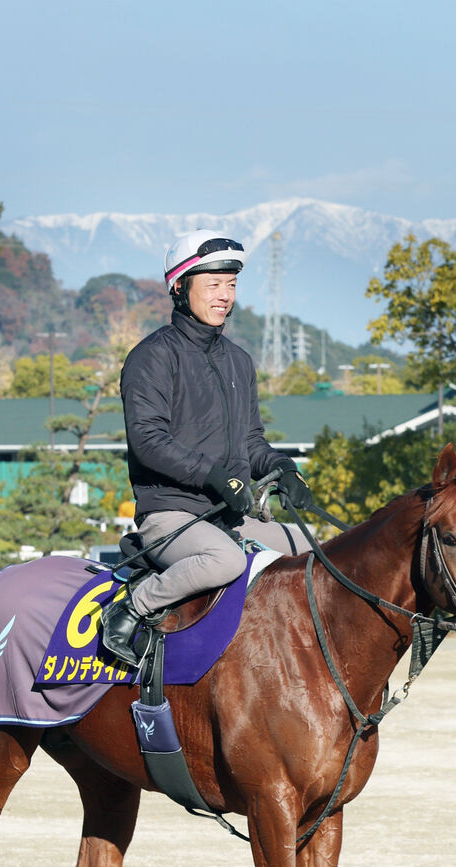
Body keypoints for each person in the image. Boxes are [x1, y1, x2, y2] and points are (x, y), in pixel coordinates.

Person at [102, 228, 313, 666]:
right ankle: (132, 608)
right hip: (170, 516)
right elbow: (147, 441)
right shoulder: (152, 356)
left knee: (315, 548)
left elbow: (251, 442)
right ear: (180, 287)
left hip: (229, 518)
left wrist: (284, 468)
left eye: (231, 284)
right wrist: (214, 475)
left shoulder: (238, 360)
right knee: (225, 561)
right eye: (213, 284)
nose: (224, 295)